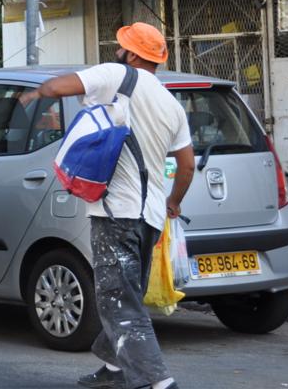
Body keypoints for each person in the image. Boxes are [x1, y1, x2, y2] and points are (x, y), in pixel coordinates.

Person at [19, 22, 195, 389]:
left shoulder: (117, 75)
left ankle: (156, 382)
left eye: (121, 47)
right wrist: (173, 203)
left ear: (132, 54)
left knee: (119, 301)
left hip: (117, 214)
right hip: (149, 218)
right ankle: (115, 371)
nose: (117, 51)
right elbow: (187, 164)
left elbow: (60, 86)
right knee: (125, 292)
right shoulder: (171, 103)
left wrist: (36, 94)